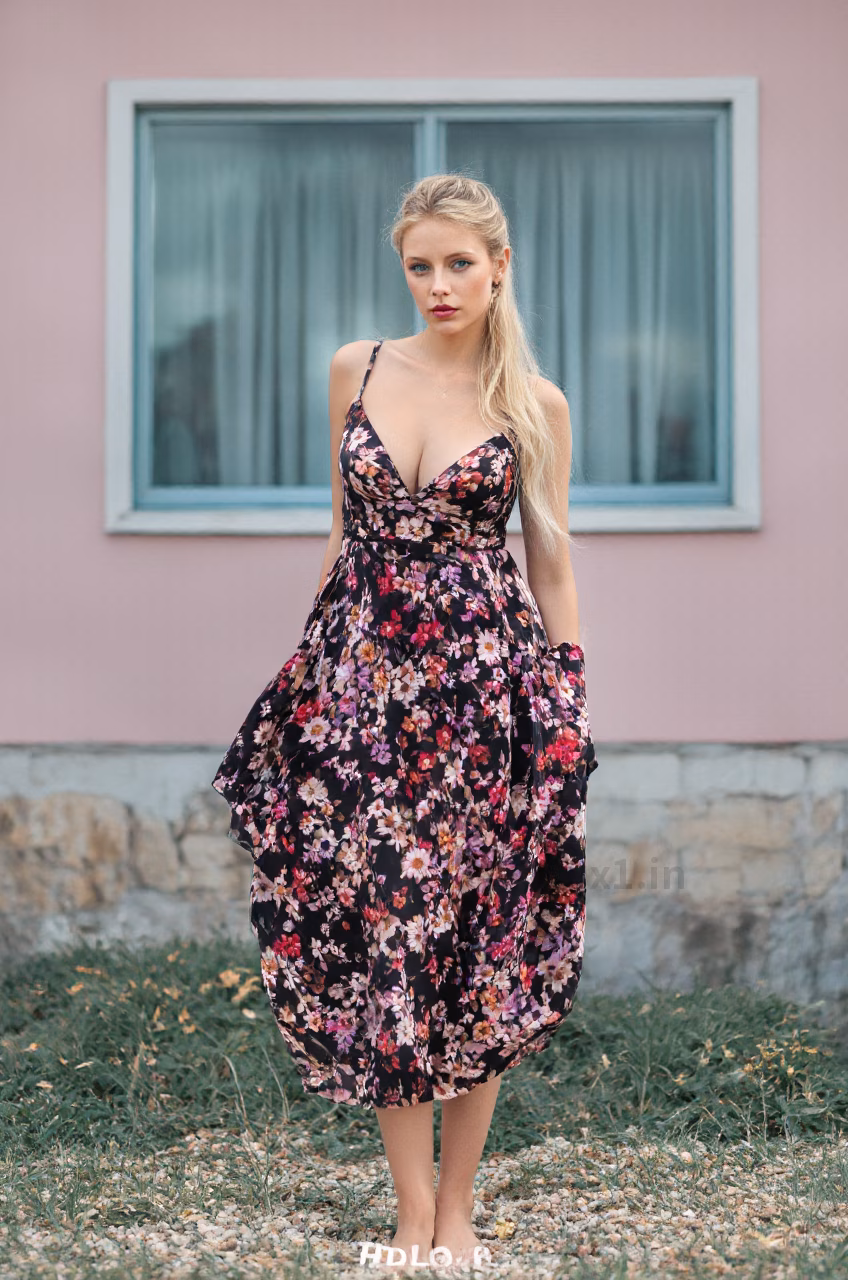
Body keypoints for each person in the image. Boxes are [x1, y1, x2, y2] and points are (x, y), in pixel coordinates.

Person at [212, 172, 599, 1271]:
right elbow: (340, 534)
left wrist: (566, 702)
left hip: (486, 698)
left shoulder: (537, 400)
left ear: (499, 266)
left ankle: (461, 1208)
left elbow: (552, 564)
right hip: (361, 692)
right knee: (389, 928)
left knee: (474, 938)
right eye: (418, 265)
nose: (437, 285)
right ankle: (409, 1209)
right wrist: (307, 675)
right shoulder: (356, 368)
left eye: (457, 265)